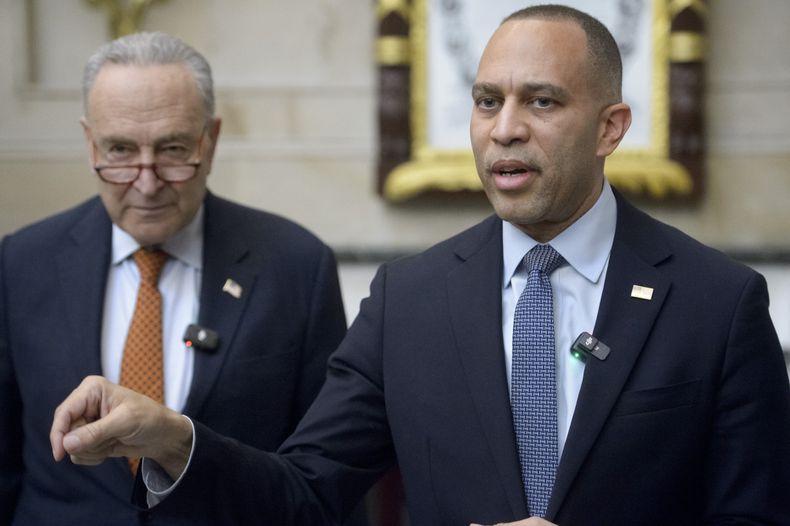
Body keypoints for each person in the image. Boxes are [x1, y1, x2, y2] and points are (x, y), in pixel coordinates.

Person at [49, 6, 790, 526]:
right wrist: (174, 437)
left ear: (610, 127)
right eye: (486, 100)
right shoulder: (409, 299)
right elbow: (304, 494)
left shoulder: (717, 303)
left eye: (541, 101)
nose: (505, 129)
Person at [0, 31, 364, 525]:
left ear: (210, 141)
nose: (147, 184)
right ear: (90, 144)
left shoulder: (295, 267)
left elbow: (327, 481)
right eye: (121, 151)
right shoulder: (21, 262)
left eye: (172, 150)